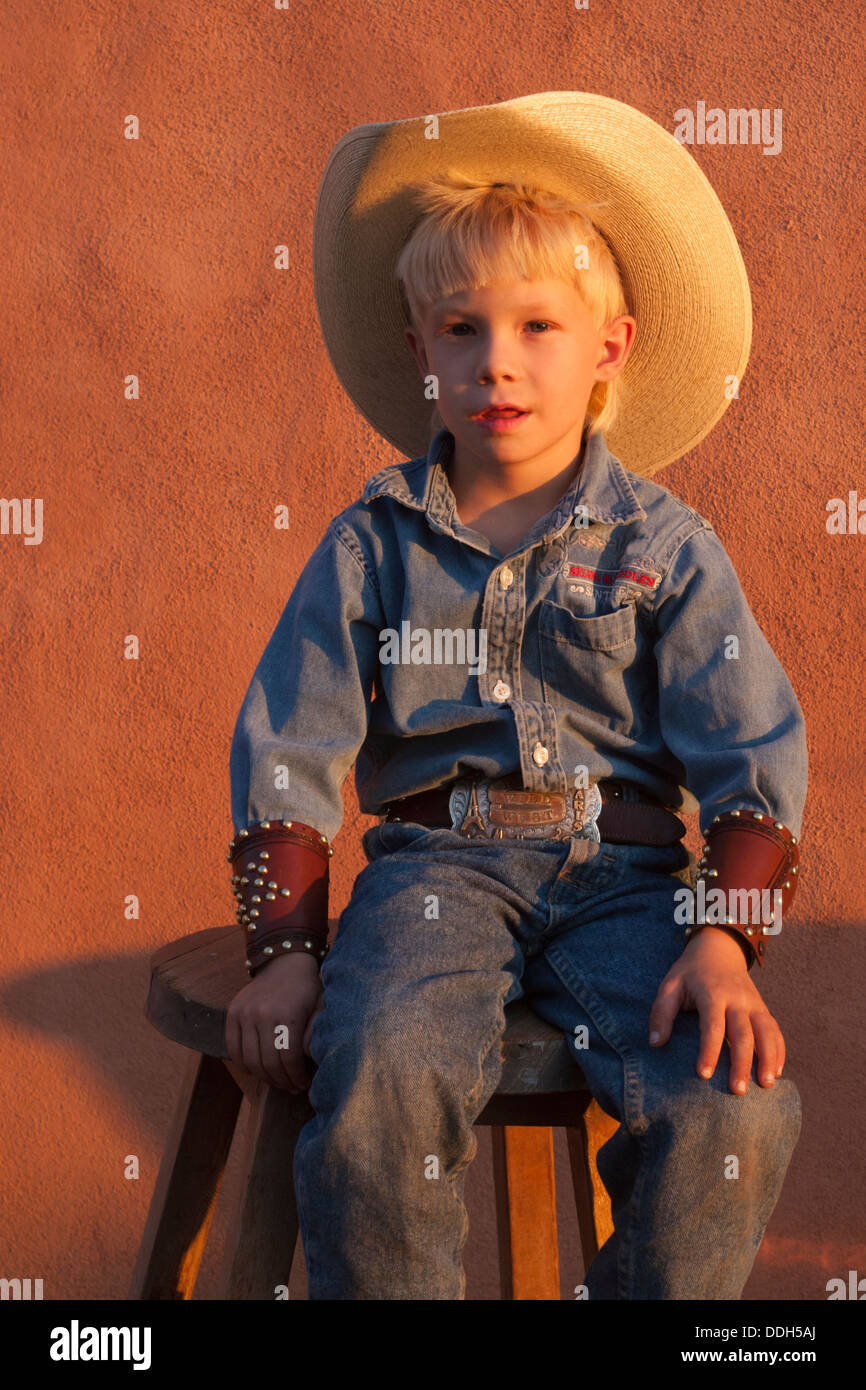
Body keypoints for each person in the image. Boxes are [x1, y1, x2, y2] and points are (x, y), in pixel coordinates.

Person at [224, 92, 806, 1300]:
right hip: (434, 876)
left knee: (729, 1107)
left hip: (629, 882)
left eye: (538, 325)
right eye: (460, 326)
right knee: (379, 1068)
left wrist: (719, 936)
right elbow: (292, 739)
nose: (496, 359)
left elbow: (749, 752)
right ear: (417, 349)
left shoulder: (667, 547)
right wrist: (283, 954)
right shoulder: (369, 545)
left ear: (609, 348)